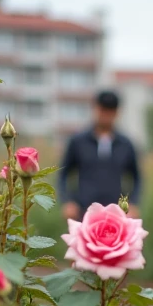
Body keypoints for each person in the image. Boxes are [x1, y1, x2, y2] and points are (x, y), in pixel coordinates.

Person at [57, 89, 141, 220]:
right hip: (83, 212)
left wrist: (134, 203)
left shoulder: (126, 144)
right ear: (95, 109)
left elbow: (136, 177)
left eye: (110, 111)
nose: (106, 115)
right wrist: (67, 201)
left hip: (116, 214)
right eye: (103, 110)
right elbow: (63, 174)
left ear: (117, 113)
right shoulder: (78, 141)